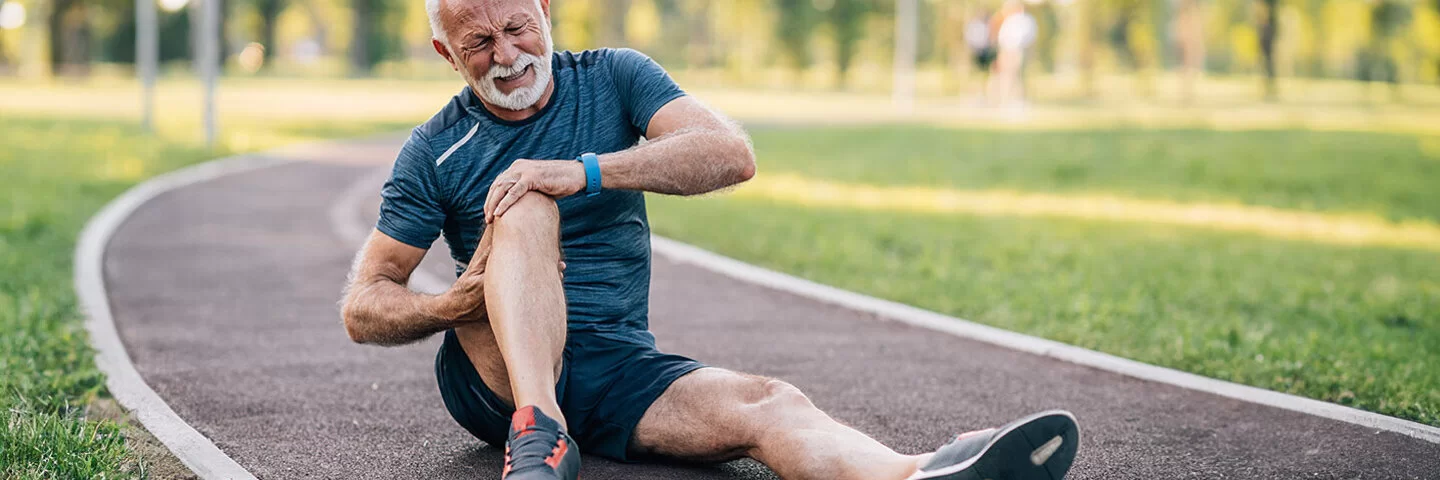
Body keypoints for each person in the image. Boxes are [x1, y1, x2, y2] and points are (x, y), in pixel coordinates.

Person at [338, 0, 1081, 479]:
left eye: (518, 28)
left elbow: (730, 153)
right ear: (446, 55)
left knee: (769, 402)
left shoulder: (616, 77)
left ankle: (920, 473)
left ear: (546, 11)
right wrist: (458, 301)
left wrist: (588, 170)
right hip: (496, 370)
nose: (507, 55)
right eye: (479, 43)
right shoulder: (434, 150)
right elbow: (364, 304)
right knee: (525, 200)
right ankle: (539, 433)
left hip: (617, 368)